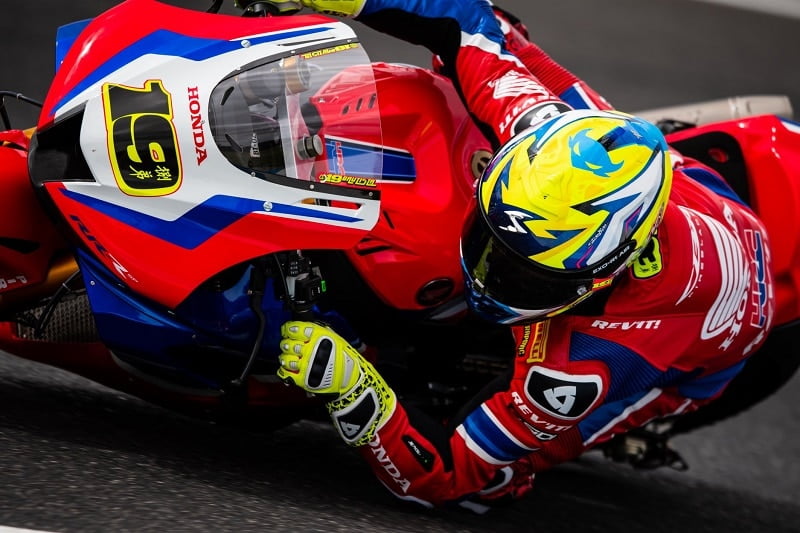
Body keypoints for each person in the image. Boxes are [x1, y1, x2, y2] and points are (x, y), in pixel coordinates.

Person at [264, 0, 777, 510]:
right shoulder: (539, 129)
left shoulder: (587, 364)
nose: (487, 279)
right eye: (489, 245)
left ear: (599, 278)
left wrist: (358, 395)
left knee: (498, 481)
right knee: (503, 40)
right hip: (703, 197)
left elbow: (449, 477)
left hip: (703, 345)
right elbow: (469, 24)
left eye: (526, 278)